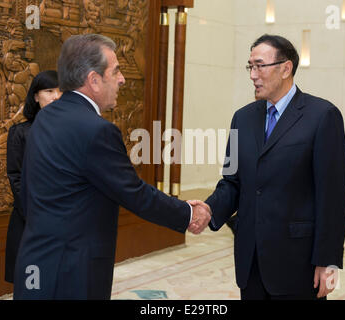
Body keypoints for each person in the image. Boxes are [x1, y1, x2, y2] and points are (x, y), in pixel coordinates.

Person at [13, 34, 210, 300]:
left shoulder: (45, 117)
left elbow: (28, 192)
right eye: (115, 71)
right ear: (94, 80)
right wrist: (187, 213)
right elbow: (135, 193)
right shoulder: (97, 131)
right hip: (72, 272)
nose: (122, 79)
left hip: (35, 261)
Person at [189, 34, 345, 300]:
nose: (252, 75)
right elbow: (232, 181)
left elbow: (333, 197)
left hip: (299, 264)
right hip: (250, 261)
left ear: (286, 68)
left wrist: (328, 260)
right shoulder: (242, 118)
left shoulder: (322, 116)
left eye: (259, 65)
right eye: (250, 66)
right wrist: (209, 209)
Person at [5, 70, 61, 283]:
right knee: (32, 283)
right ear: (36, 96)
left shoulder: (72, 130)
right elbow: (16, 177)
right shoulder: (20, 133)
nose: (56, 96)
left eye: (61, 91)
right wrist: (37, 216)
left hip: (64, 219)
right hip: (30, 218)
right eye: (49, 91)